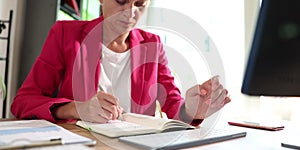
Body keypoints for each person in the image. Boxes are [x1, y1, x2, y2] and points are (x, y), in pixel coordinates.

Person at [11, 0, 230, 125]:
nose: (130, 12)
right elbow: (23, 102)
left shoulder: (152, 45)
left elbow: (173, 107)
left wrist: (193, 111)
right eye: (121, 0)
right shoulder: (65, 34)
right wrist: (75, 109)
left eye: (140, 3)